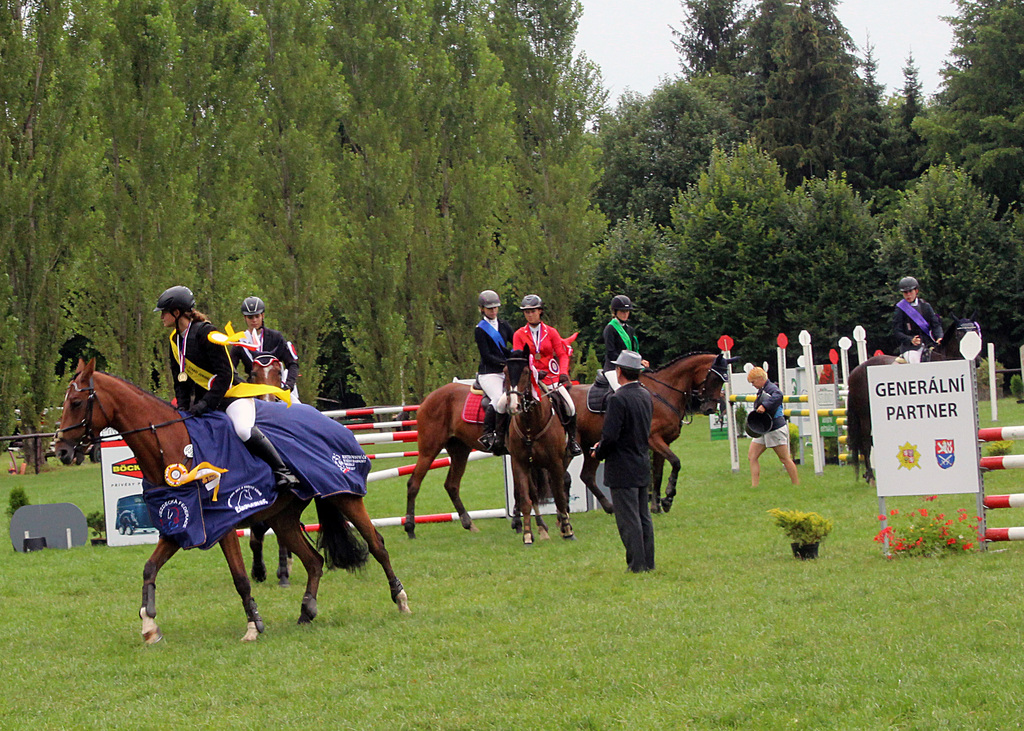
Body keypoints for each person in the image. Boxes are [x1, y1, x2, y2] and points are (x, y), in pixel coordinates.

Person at [154, 286, 298, 491]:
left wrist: (205, 404)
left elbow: (225, 375)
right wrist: (183, 410)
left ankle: (283, 471)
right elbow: (181, 381)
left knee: (242, 430)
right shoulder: (175, 341)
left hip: (231, 395)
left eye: (164, 312)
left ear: (177, 313)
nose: (161, 317)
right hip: (205, 402)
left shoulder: (208, 333)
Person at [591, 351, 654, 572]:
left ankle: (636, 565)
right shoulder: (645, 394)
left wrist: (599, 453)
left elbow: (610, 436)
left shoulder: (618, 399)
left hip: (622, 465)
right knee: (643, 516)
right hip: (641, 461)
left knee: (628, 519)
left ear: (619, 371)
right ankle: (648, 562)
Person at [511, 294, 582, 457]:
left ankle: (571, 440)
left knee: (570, 406)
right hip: (530, 380)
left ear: (540, 311)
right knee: (511, 404)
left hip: (550, 378)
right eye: (526, 312)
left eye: (532, 311)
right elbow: (518, 358)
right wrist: (533, 372)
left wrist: (563, 373)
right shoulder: (519, 334)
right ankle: (506, 438)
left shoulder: (551, 332)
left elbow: (562, 354)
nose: (529, 314)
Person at [231, 296, 301, 403]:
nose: (254, 320)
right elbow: (231, 368)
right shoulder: (240, 342)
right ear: (245, 318)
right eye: (250, 317)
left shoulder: (276, 337)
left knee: (298, 409)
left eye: (257, 316)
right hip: (253, 392)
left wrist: (288, 386)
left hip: (278, 389)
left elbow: (292, 363)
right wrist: (244, 386)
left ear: (262, 315)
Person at [474, 290, 515, 454]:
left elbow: (516, 342)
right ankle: (490, 434)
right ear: (482, 309)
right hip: (489, 373)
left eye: (495, 308)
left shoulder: (505, 325)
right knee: (500, 399)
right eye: (489, 309)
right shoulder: (480, 329)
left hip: (506, 372)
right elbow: (487, 355)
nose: (493, 311)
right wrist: (506, 363)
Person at [745, 366, 799, 488]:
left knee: (784, 459)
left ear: (760, 378)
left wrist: (765, 405)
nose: (753, 385)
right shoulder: (763, 389)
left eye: (753, 382)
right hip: (763, 429)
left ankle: (796, 484)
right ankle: (754, 486)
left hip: (775, 429)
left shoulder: (771, 388)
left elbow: (779, 395)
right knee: (752, 456)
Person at [602, 295, 649, 390]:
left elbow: (633, 351)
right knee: (620, 391)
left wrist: (640, 360)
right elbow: (611, 353)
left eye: (627, 311)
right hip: (613, 368)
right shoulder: (610, 329)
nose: (625, 314)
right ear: (615, 312)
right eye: (622, 311)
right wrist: (630, 362)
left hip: (628, 368)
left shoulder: (630, 329)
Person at [892, 276, 943, 363]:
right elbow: (897, 331)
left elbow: (936, 325)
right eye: (905, 292)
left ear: (916, 291)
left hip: (928, 344)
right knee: (914, 361)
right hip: (910, 348)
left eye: (910, 291)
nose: (908, 294)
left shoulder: (926, 306)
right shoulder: (900, 309)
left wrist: (939, 337)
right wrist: (910, 339)